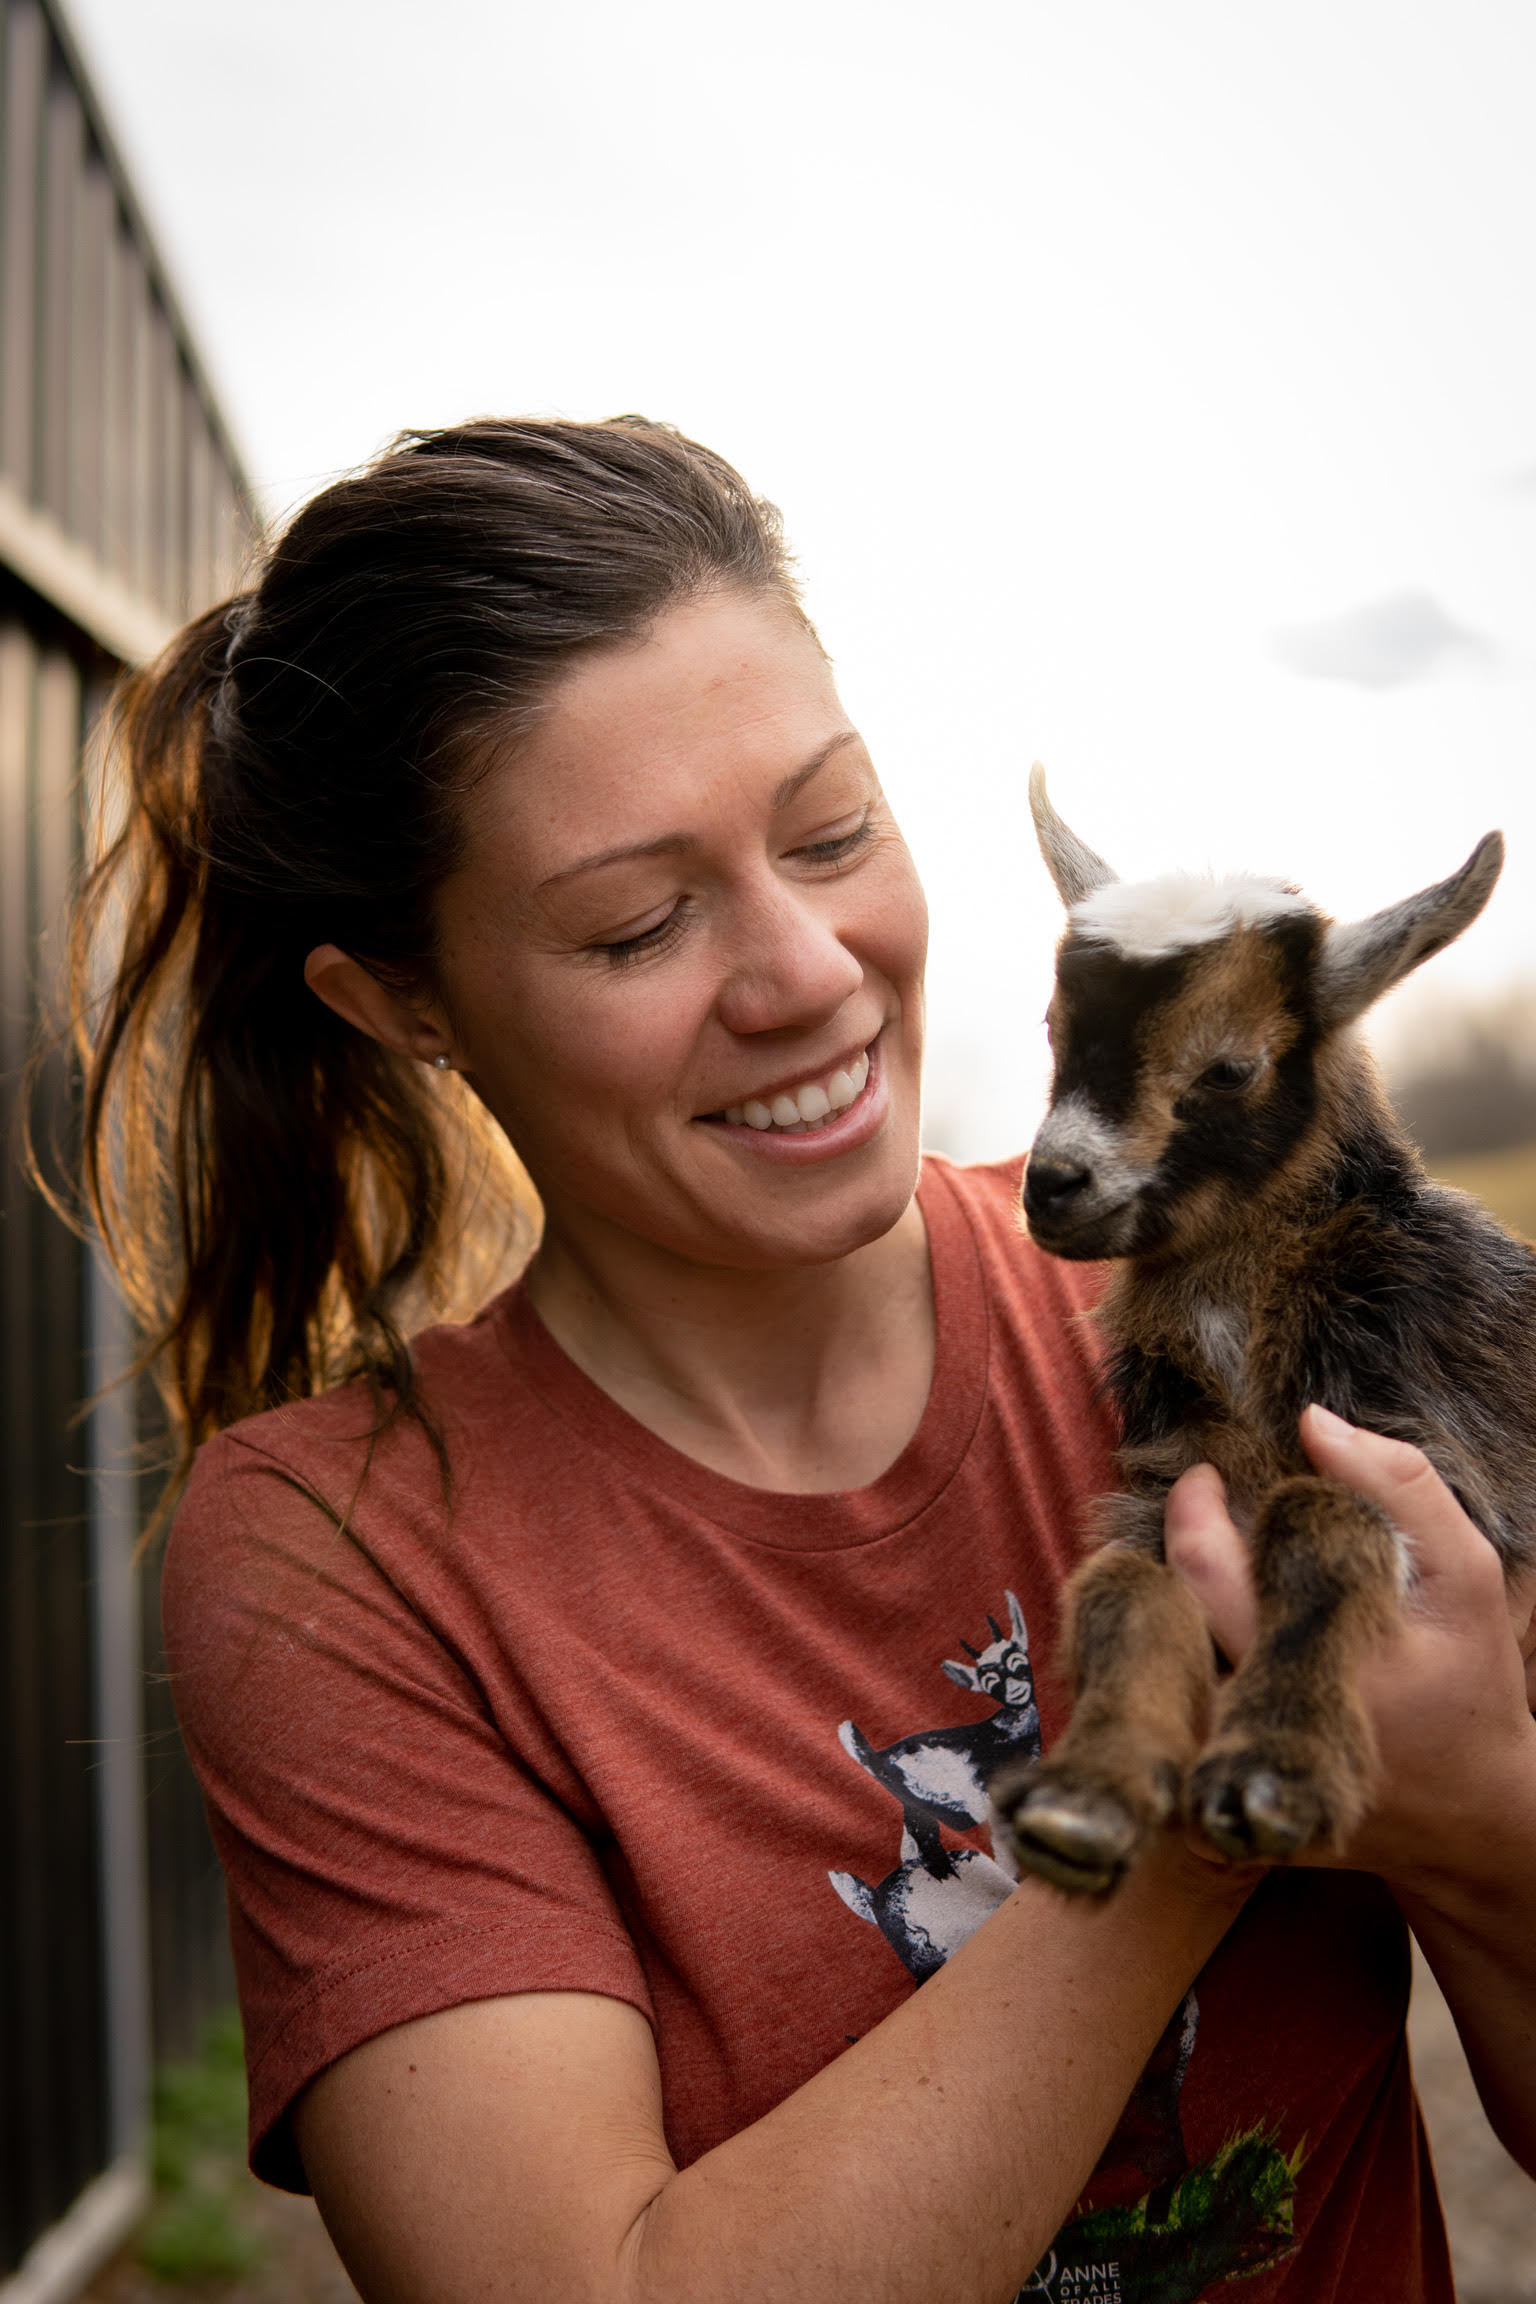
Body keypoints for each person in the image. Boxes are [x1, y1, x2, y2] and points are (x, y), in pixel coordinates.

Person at [77, 416, 1536, 2304]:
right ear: (406, 1002)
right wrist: (1198, 1800)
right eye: (638, 925)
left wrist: (1481, 1815)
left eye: (834, 832)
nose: (813, 973)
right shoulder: (346, 1555)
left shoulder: (1238, 1309)